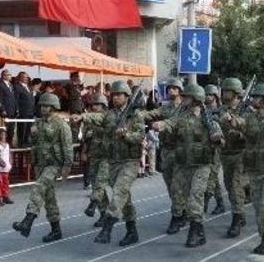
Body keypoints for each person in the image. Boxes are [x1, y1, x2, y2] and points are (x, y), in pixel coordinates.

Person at [222, 84, 264, 255]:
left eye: (257, 97)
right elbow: (240, 123)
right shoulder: (250, 118)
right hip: (254, 170)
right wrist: (230, 120)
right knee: (259, 207)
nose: (253, 100)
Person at [153, 85, 223, 247]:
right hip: (182, 163)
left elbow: (221, 140)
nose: (183, 99)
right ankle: (198, 231)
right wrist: (161, 125)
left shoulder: (208, 118)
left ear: (195, 100)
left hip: (201, 164)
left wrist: (217, 138)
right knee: (177, 195)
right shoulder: (181, 116)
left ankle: (194, 230)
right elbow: (170, 123)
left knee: (195, 196)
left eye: (187, 97)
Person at [79, 81, 144, 246]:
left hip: (130, 161)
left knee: (119, 192)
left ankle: (107, 228)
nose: (115, 97)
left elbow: (139, 136)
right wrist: (83, 116)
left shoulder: (135, 115)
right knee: (124, 198)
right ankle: (132, 231)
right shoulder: (109, 114)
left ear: (127, 96)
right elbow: (99, 117)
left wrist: (126, 135)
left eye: (119, 95)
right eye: (113, 95)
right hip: (114, 161)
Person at [12, 93, 73, 242]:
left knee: (38, 187)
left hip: (54, 164)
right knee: (48, 197)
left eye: (47, 106)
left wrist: (67, 166)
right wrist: (32, 135)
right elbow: (33, 143)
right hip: (40, 164)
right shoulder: (38, 123)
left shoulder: (61, 124)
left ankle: (28, 220)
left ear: (54, 107)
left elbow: (67, 146)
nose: (44, 108)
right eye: (42, 106)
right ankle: (56, 230)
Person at [141, 78, 185, 233]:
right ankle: (181, 210)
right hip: (166, 151)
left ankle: (177, 216)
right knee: (170, 185)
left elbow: (175, 122)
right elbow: (152, 113)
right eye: (169, 88)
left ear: (180, 90)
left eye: (174, 88)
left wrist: (163, 125)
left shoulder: (185, 109)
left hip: (180, 151)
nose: (170, 90)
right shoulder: (165, 108)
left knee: (177, 186)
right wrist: (139, 114)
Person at [216, 78, 248, 238]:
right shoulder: (221, 109)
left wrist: (238, 131)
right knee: (229, 186)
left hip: (240, 154)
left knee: (235, 186)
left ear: (235, 93)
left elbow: (251, 131)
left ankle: (236, 218)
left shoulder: (246, 109)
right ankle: (240, 213)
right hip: (225, 153)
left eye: (227, 91)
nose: (224, 94)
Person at [202, 84, 226, 216]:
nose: (207, 97)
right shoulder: (203, 110)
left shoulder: (221, 110)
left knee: (211, 178)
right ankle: (220, 203)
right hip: (207, 146)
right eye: (206, 95)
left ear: (215, 96)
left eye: (210, 95)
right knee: (214, 177)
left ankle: (202, 208)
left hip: (218, 146)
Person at [0, 128, 13, 205]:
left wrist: (10, 163)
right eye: (1, 134)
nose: (3, 136)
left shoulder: (7, 144)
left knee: (6, 182)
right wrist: (0, 162)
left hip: (6, 167)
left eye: (4, 134)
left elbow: (9, 155)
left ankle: (5, 196)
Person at [0, 69, 17, 140]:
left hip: (12, 110)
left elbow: (13, 98)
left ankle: (10, 143)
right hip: (5, 111)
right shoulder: (0, 85)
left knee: (11, 129)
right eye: (9, 75)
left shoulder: (11, 85)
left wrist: (16, 109)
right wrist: (2, 109)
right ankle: (5, 142)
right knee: (5, 129)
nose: (10, 76)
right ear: (4, 76)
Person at [14, 72, 35, 146]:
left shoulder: (28, 87)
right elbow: (16, 99)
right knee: (22, 129)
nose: (26, 79)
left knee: (28, 129)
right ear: (20, 78)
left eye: (27, 77)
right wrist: (17, 110)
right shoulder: (17, 87)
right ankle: (21, 143)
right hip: (23, 112)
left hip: (30, 112)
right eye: (24, 77)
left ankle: (26, 142)